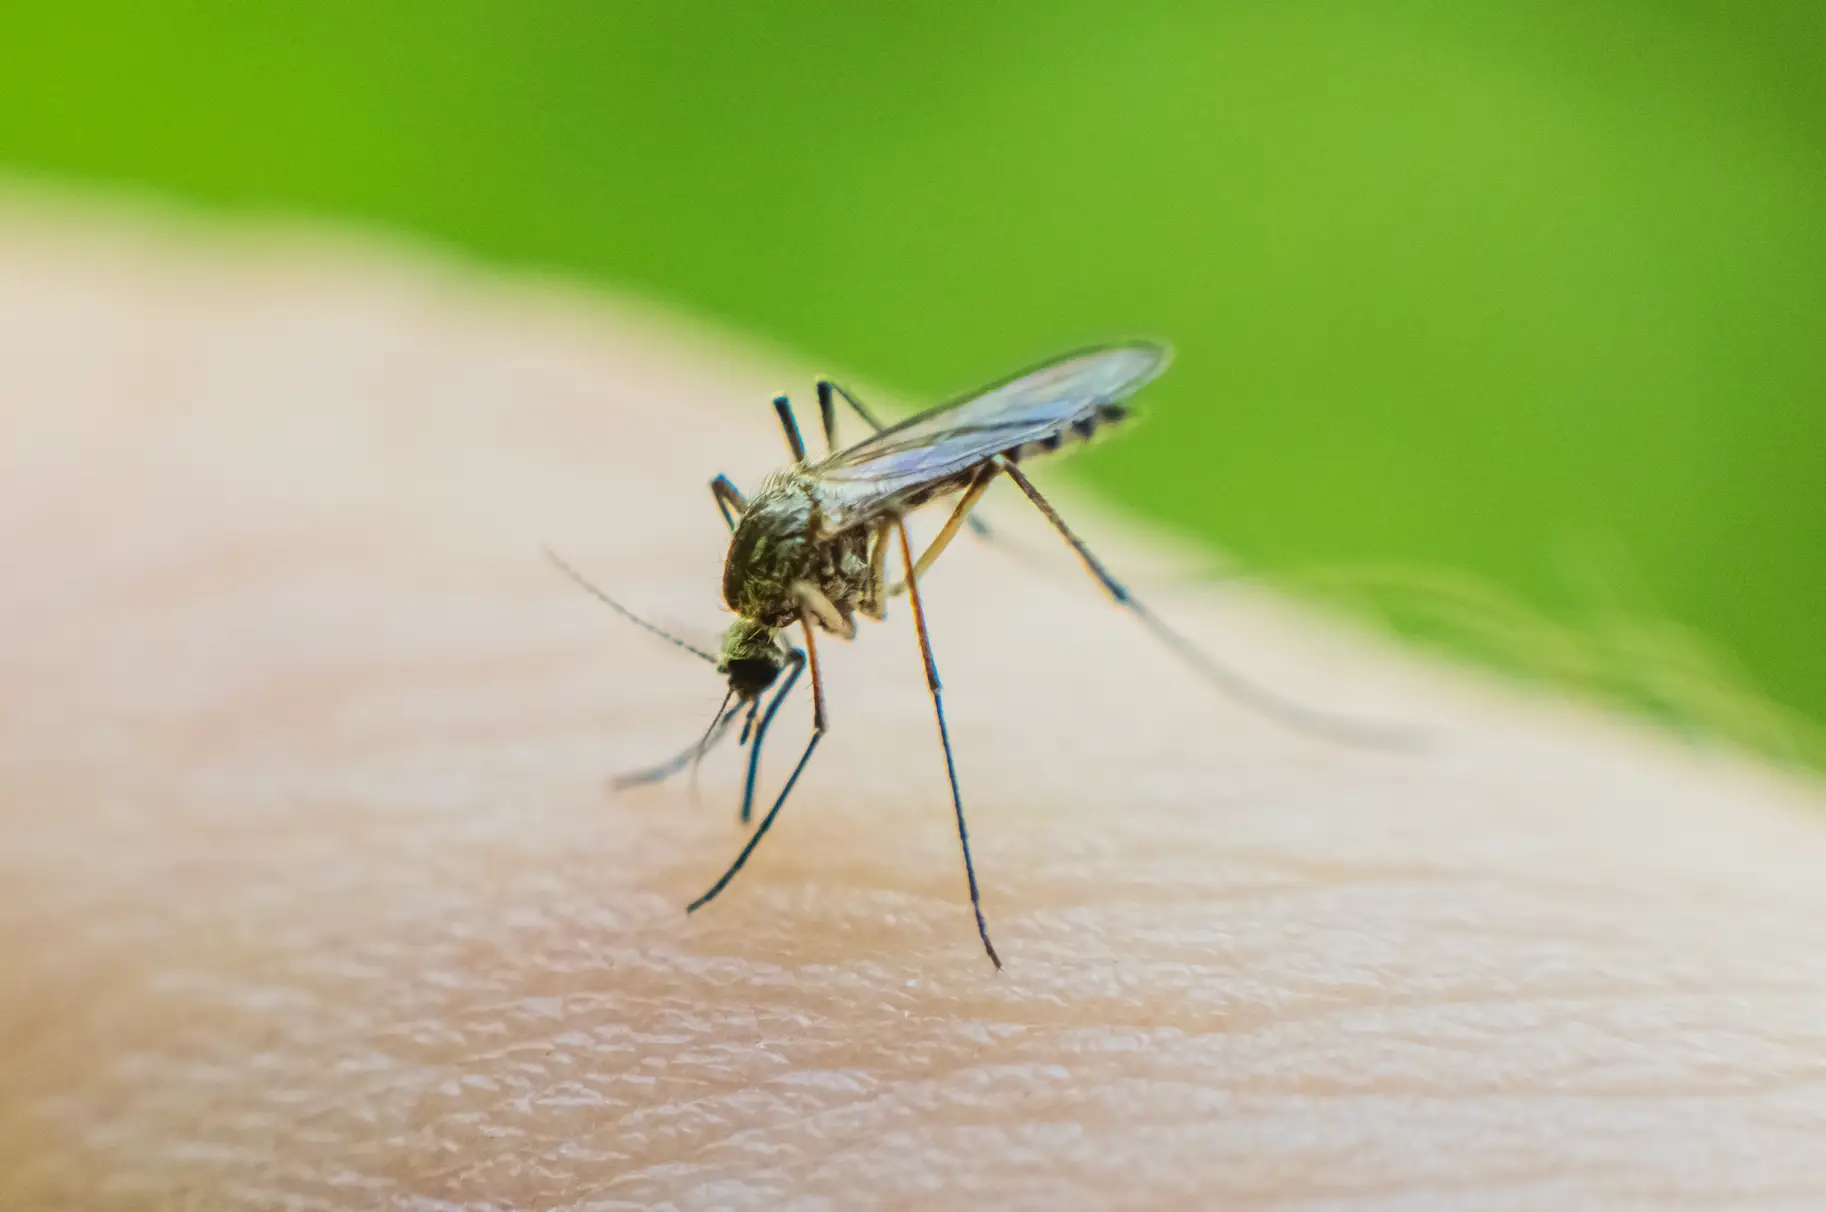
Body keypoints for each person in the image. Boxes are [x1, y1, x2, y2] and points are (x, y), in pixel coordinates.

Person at [5, 206, 1824, 1207]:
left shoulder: (809, 555)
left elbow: (826, 565)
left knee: (931, 589)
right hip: (844, 500)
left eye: (751, 663)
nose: (761, 662)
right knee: (817, 472)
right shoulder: (763, 573)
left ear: (764, 613)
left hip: (927, 465)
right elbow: (772, 579)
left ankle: (1149, 627)